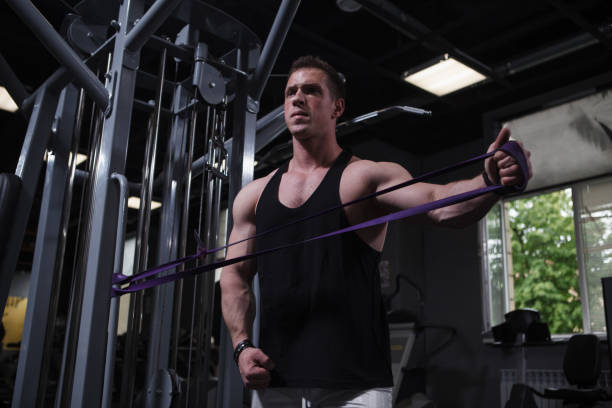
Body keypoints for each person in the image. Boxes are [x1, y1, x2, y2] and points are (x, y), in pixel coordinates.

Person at [220, 55, 532, 407]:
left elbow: (440, 204)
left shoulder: (366, 176)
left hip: (355, 386)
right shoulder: (253, 196)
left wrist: (489, 182)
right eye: (291, 91)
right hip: (276, 380)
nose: (297, 98)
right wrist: (242, 347)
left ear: (337, 107)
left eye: (310, 90)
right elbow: (234, 276)